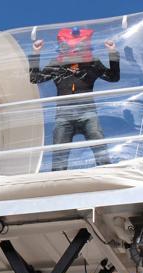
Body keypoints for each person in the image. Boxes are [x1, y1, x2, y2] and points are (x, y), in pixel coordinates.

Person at [29, 27, 120, 171]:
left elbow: (113, 77)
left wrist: (112, 52)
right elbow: (35, 78)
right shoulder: (57, 64)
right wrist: (36, 53)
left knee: (98, 143)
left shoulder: (91, 63)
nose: (76, 49)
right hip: (63, 115)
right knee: (59, 151)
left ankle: (106, 171)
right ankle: (57, 179)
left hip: (87, 112)